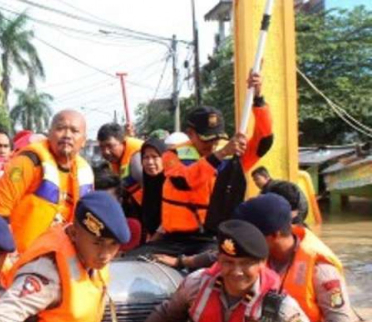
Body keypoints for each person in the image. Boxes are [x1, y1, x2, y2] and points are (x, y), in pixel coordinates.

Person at [118, 220, 331, 322]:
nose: (237, 272)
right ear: (218, 260)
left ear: (262, 263)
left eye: (246, 263)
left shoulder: (281, 309)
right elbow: (166, 317)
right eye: (228, 262)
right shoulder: (196, 284)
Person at [0, 192, 130, 322]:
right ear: (74, 233)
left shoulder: (94, 263)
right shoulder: (48, 272)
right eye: (97, 243)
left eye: (113, 245)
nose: (105, 254)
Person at [138, 72, 273, 258]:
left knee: (212, 262)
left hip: (211, 238)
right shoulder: (172, 155)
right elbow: (184, 180)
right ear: (190, 134)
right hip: (173, 239)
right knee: (137, 257)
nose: (213, 145)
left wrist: (258, 100)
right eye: (207, 139)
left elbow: (264, 141)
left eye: (217, 139)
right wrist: (221, 154)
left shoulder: (233, 157)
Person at [234, 193, 354, 322]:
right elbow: (218, 256)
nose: (243, 240)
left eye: (250, 235)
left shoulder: (321, 270)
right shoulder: (256, 252)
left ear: (274, 235)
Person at [0, 109, 94, 254]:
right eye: (60, 129)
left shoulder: (85, 172)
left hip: (61, 256)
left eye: (74, 131)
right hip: (22, 256)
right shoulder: (30, 161)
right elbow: (0, 206)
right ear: (50, 134)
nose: (67, 135)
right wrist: (6, 251)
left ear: (83, 140)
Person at [97, 123, 144, 219]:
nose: (106, 152)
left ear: (122, 142)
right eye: (102, 147)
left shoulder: (136, 159)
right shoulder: (113, 161)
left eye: (110, 146)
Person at [139, 137, 167, 241]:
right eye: (145, 157)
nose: (150, 162)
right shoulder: (147, 183)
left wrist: (152, 241)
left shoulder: (173, 184)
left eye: (155, 157)